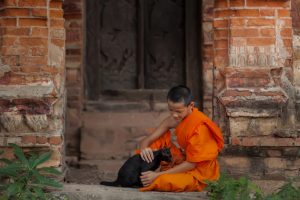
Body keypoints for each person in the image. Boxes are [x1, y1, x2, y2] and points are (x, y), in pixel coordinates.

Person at [137, 85, 224, 192]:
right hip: (184, 159)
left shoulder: (200, 127)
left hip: (198, 172)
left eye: (178, 111)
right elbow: (149, 139)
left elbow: (192, 164)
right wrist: (144, 148)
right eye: (171, 110)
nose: (174, 115)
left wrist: (157, 175)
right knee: (155, 142)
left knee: (162, 181)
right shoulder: (174, 119)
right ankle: (143, 175)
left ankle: (153, 177)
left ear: (191, 105)